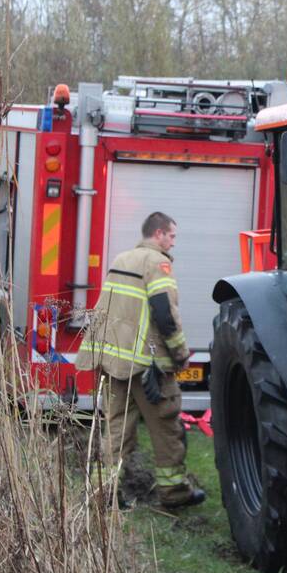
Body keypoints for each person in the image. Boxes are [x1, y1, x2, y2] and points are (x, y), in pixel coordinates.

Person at [77, 211, 205, 509]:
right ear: (158, 234)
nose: (173, 243)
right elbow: (164, 311)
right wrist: (180, 354)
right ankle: (174, 493)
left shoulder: (122, 259)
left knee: (117, 429)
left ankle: (104, 494)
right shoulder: (156, 263)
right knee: (166, 428)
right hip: (149, 368)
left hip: (115, 363)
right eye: (172, 236)